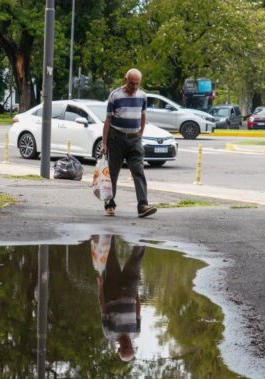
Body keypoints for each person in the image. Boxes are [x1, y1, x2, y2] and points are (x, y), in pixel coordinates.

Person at [101, 68, 156, 218]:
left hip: (134, 139)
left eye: (137, 84)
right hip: (116, 138)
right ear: (126, 80)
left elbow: (143, 115)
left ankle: (143, 205)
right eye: (132, 84)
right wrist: (104, 143)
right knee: (113, 173)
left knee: (139, 171)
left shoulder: (142, 96)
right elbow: (108, 120)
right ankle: (109, 204)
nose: (135, 87)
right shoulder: (115, 95)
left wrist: (140, 134)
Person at [97, 236, 144, 362]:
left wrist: (100, 286)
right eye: (130, 348)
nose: (128, 345)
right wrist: (136, 291)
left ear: (119, 349)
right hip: (130, 290)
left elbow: (103, 308)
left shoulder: (109, 333)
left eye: (125, 348)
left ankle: (108, 231)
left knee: (110, 255)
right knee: (137, 259)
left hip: (112, 290)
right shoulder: (136, 332)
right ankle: (141, 234)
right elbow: (138, 312)